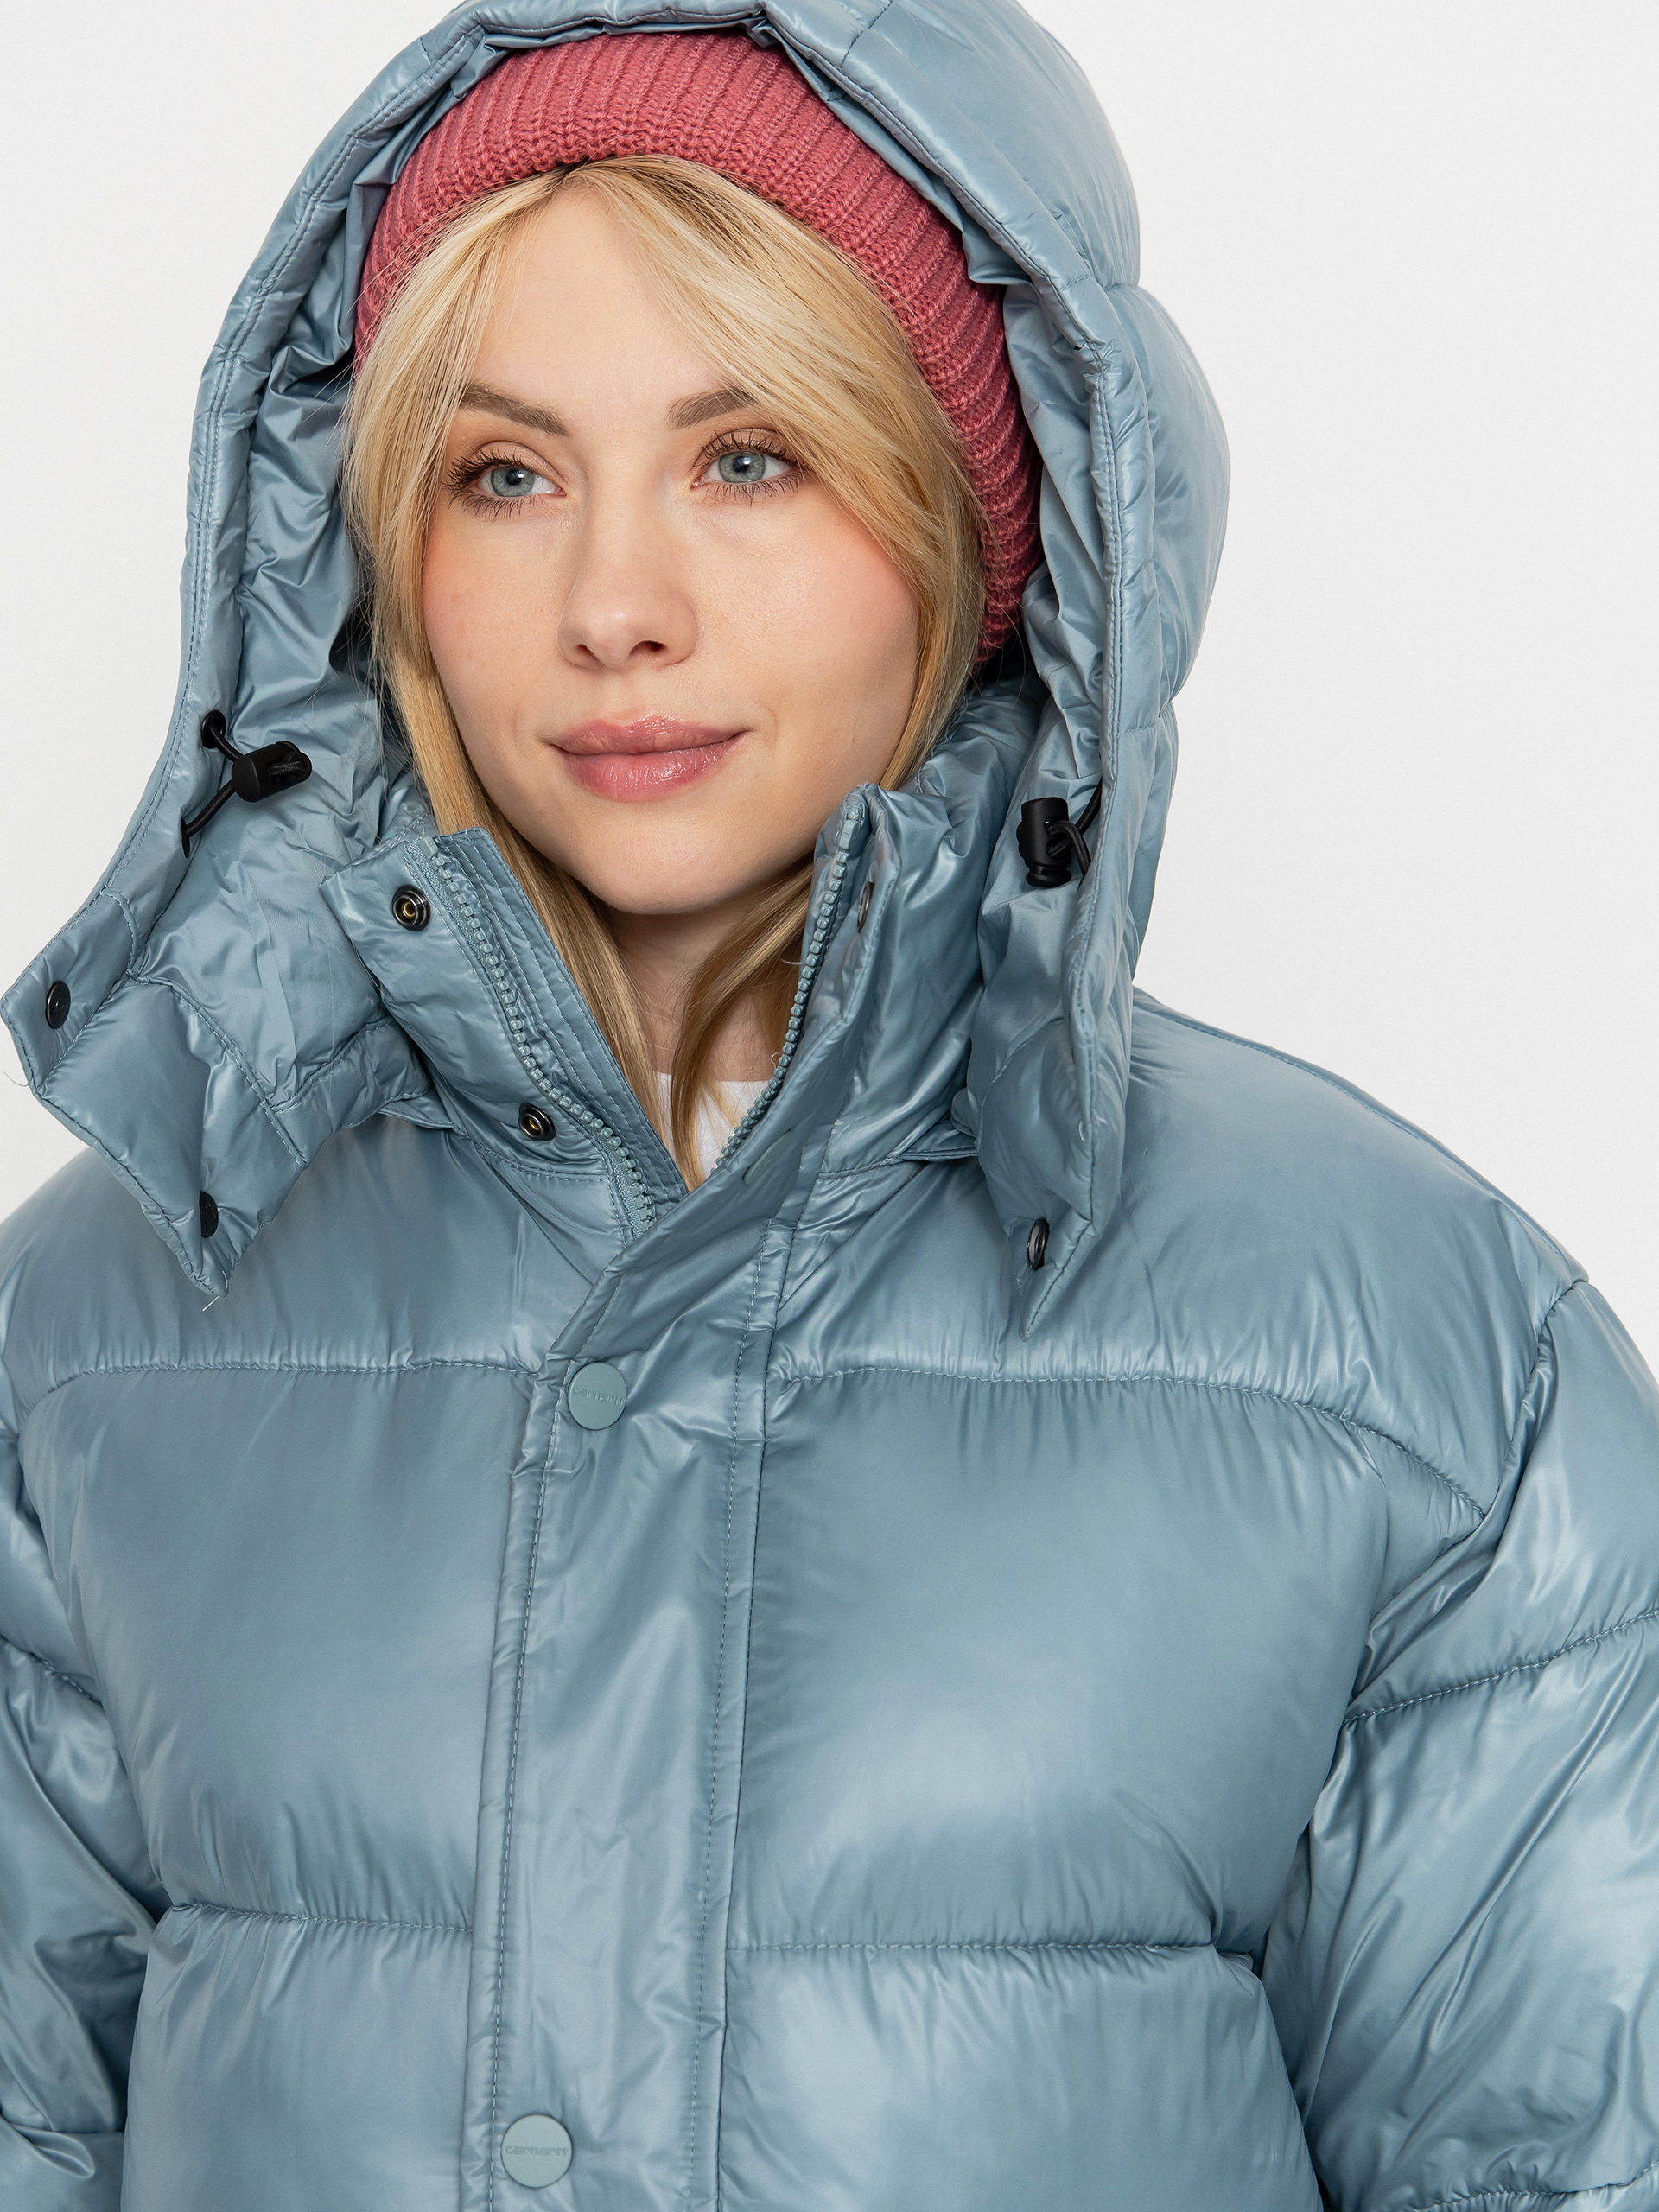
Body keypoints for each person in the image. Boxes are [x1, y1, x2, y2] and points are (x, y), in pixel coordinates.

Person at [1, 7, 1654, 2209]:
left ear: (980, 521)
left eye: (752, 456)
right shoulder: (97, 1334)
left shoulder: (1420, 1363)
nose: (615, 606)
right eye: (506, 475)